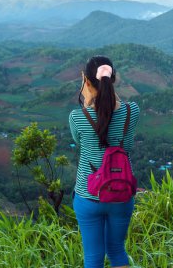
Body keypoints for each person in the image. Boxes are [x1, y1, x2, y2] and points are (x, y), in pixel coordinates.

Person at [69, 56, 140, 268]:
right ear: (114, 79)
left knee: (93, 257)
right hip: (121, 193)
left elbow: (79, 141)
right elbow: (125, 145)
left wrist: (88, 101)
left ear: (87, 82)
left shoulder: (77, 116)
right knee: (117, 250)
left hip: (88, 195)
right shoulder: (131, 111)